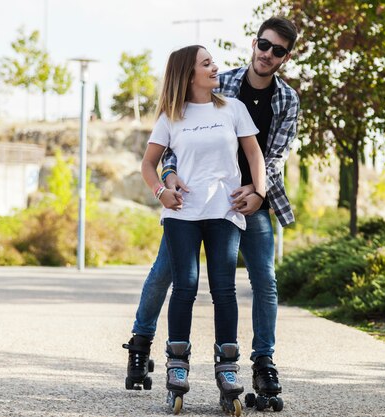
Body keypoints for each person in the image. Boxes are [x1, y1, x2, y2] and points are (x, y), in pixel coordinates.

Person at [123, 16, 298, 411]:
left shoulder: (285, 100)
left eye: (278, 50)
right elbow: (167, 152)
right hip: (190, 204)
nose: (268, 54)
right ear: (255, 44)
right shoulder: (225, 84)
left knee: (262, 281)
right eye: (264, 45)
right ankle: (142, 343)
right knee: (169, 275)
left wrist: (257, 192)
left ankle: (261, 362)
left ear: (286, 57)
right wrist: (165, 184)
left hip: (244, 200)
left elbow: (272, 157)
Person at [138, 44, 266, 414]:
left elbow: (254, 154)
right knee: (186, 286)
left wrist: (258, 191)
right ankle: (177, 364)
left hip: (224, 211)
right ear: (188, 74)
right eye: (206, 63)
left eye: (213, 61)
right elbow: (148, 163)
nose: (215, 68)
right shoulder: (171, 116)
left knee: (224, 289)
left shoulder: (233, 109)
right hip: (182, 214)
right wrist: (161, 191)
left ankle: (227, 369)